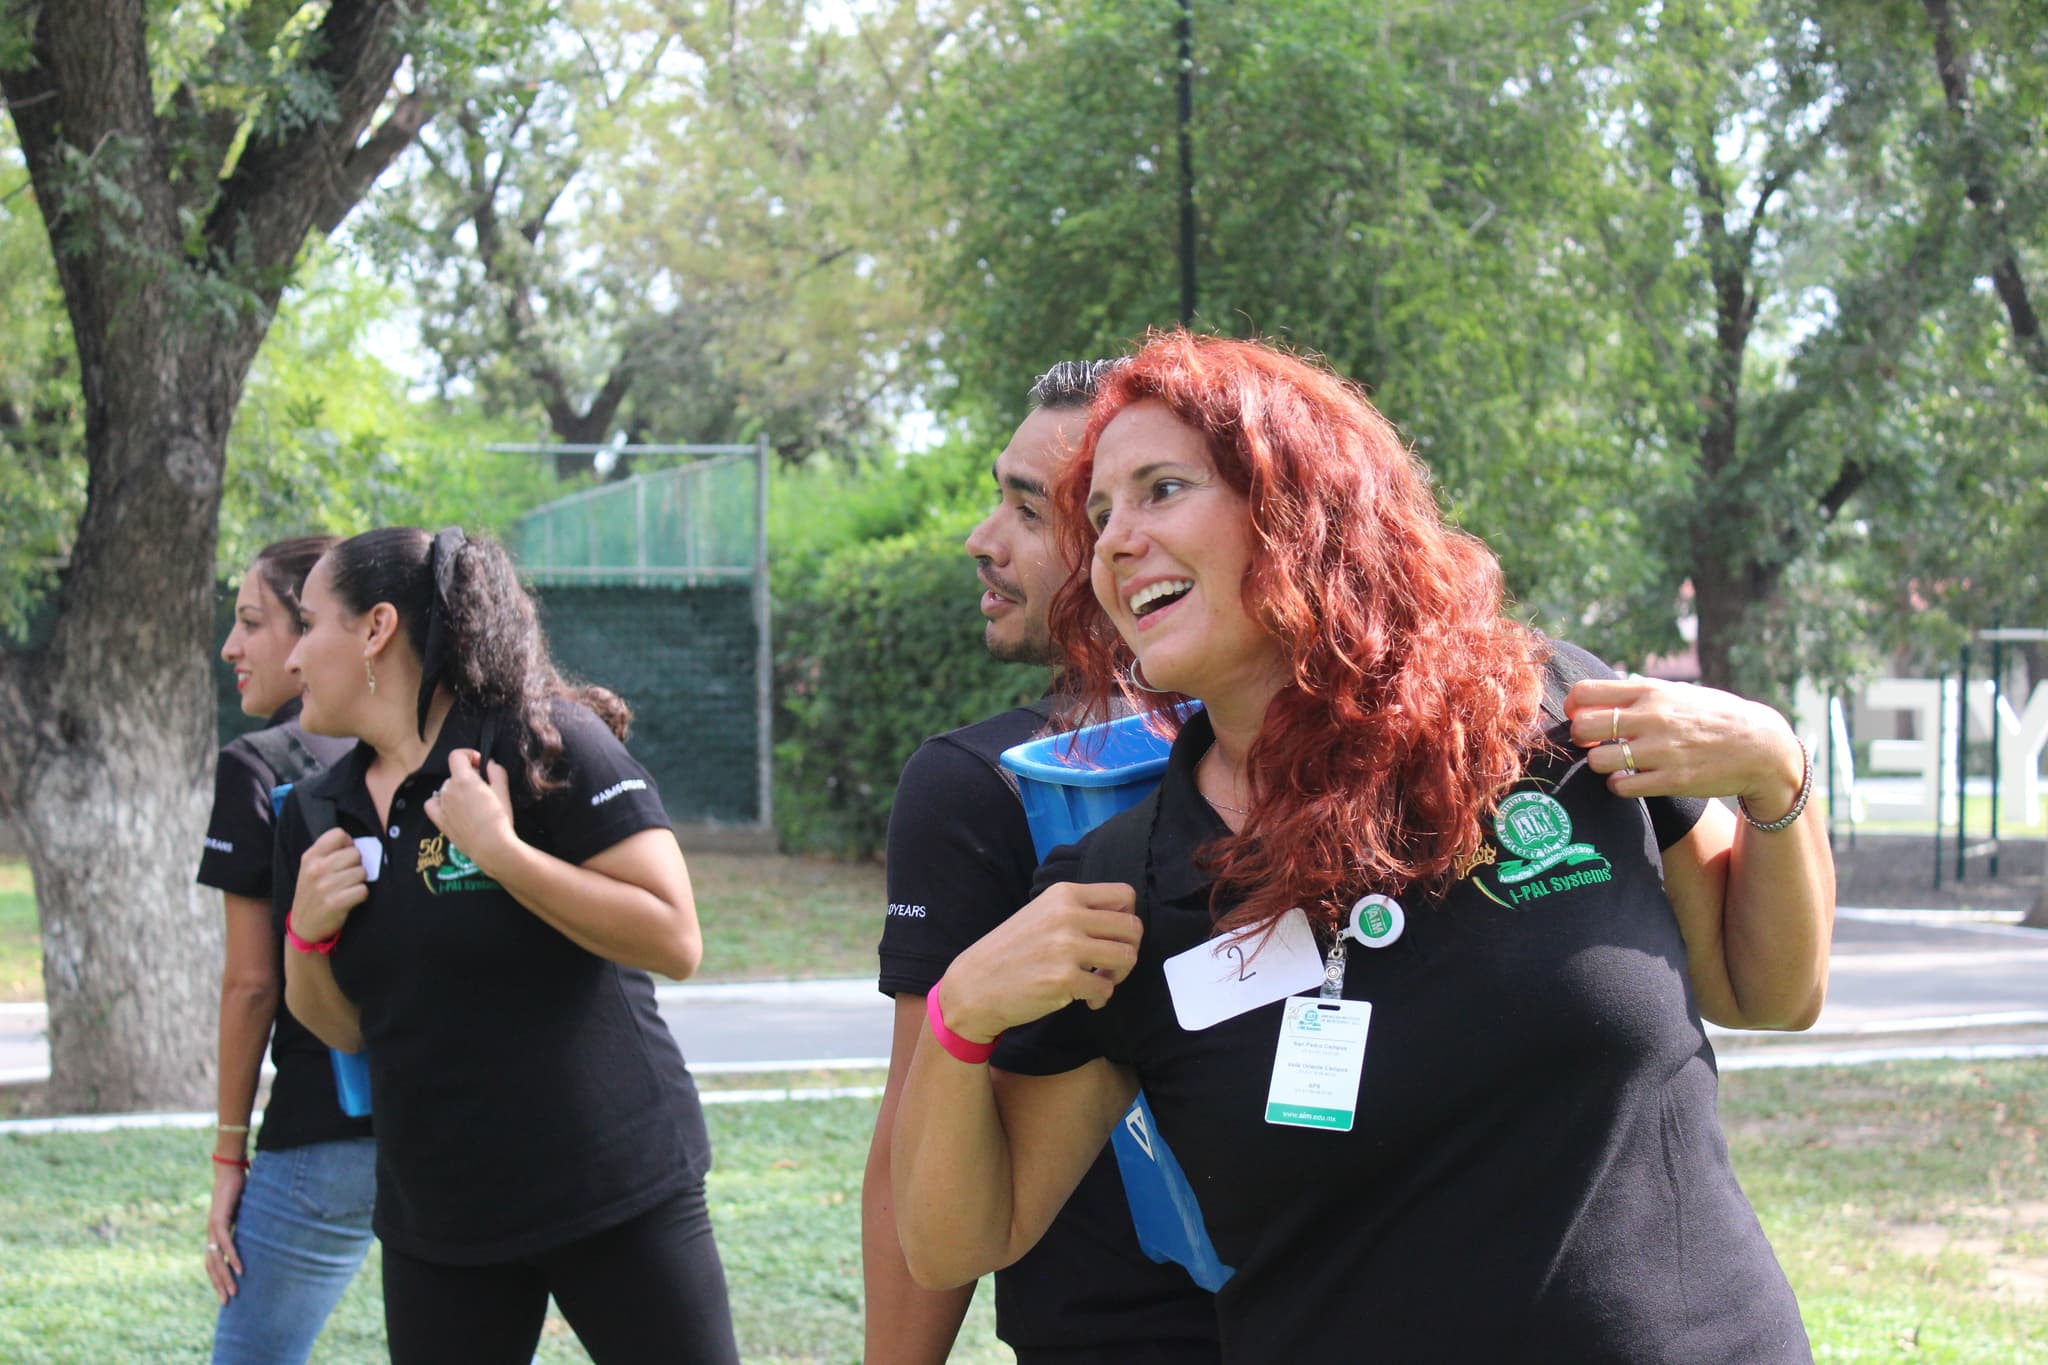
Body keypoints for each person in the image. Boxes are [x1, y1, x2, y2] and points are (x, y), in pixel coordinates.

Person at [892, 332, 1836, 1362]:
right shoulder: (1127, 881)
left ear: (1302, 503)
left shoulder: (1554, 711)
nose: (1115, 541)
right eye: (1099, 513)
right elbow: (956, 1243)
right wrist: (958, 1018)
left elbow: (1766, 992)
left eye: (1161, 489)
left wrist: (1774, 778)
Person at [277, 526, 739, 1365]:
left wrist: (504, 854)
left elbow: (674, 936)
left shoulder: (543, 741)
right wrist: (303, 936)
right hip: (438, 1217)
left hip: (611, 1187)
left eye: (308, 624)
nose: (293, 656)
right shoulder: (319, 809)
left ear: (376, 627)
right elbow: (346, 1029)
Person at [863, 361, 1219, 1364]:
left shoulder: (982, 783)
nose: (981, 540)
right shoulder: (978, 785)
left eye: (1030, 509)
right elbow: (919, 1142)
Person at [198, 534, 371, 1364]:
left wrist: (228, 1153)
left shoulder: (259, 764)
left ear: (313, 631)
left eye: (252, 622)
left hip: (321, 1142)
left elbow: (251, 988)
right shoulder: (415, 750)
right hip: (444, 1128)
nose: (232, 646)